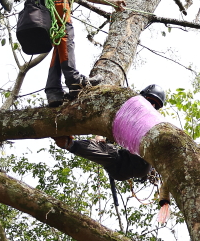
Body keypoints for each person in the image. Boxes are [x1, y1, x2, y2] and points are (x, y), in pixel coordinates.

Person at [53, 85, 172, 221]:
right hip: (119, 167)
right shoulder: (128, 112)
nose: (151, 105)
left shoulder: (153, 123)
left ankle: (71, 145)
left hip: (140, 163)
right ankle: (69, 144)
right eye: (150, 100)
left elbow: (167, 163)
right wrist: (99, 136)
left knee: (115, 153)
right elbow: (111, 125)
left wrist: (165, 198)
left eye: (155, 105)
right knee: (106, 151)